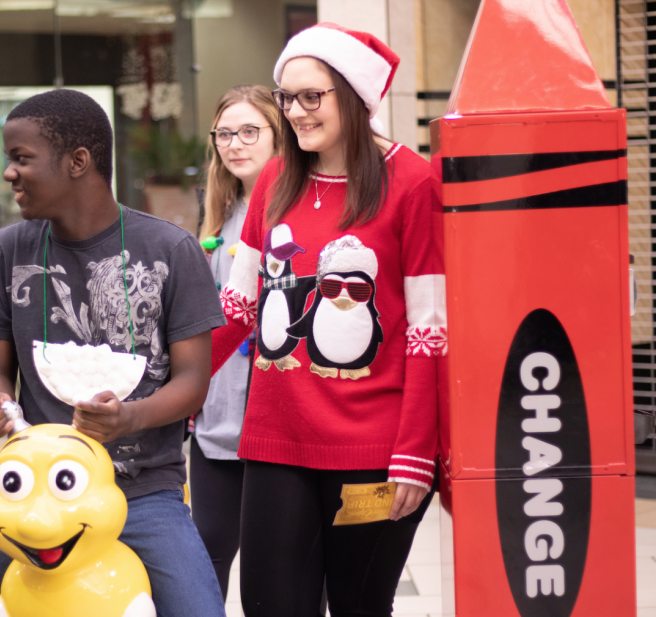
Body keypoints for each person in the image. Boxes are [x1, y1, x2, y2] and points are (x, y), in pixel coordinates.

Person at [0, 89, 227, 617]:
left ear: (78, 162)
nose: (8, 173)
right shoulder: (8, 249)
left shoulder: (171, 250)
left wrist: (127, 418)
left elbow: (192, 384)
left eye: (22, 158)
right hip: (36, 498)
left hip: (143, 492)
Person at [211, 23, 444, 617]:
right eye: (287, 97)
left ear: (354, 94)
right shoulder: (274, 179)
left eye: (311, 96)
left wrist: (417, 453)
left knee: (359, 607)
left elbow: (428, 332)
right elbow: (238, 310)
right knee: (271, 605)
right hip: (275, 439)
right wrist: (163, 383)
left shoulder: (413, 184)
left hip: (374, 450)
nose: (295, 111)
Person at [190, 84, 280, 601]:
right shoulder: (219, 217)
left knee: (276, 580)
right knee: (206, 564)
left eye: (250, 131)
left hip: (277, 424)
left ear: (278, 136)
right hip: (216, 421)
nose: (235, 144)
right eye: (225, 133)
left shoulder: (295, 211)